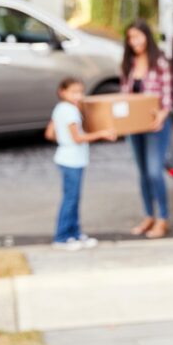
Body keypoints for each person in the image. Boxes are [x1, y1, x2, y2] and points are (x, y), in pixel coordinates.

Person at [47, 77, 116, 251]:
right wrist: (102, 133)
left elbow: (49, 134)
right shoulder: (71, 111)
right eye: (74, 92)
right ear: (62, 92)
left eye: (81, 92)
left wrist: (63, 140)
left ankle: (75, 233)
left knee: (73, 198)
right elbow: (77, 138)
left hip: (65, 157)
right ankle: (62, 237)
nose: (78, 96)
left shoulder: (59, 108)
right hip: (72, 160)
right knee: (71, 199)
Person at [121, 21, 173, 239]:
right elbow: (124, 96)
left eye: (138, 36)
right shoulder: (128, 64)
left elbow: (168, 97)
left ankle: (163, 218)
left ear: (147, 36)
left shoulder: (160, 61)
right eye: (131, 38)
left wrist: (161, 115)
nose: (135, 42)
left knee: (154, 172)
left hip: (155, 126)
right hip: (135, 126)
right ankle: (148, 216)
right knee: (142, 173)